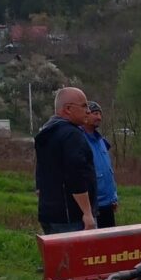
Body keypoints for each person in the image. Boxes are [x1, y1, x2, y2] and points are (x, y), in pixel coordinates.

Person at [34, 87, 97, 233]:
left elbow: (40, 170)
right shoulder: (71, 135)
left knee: (57, 256)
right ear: (68, 109)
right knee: (80, 256)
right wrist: (87, 213)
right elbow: (76, 175)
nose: (88, 110)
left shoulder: (47, 132)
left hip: (50, 214)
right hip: (72, 218)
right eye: (84, 106)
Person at [83, 100, 119, 229]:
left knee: (110, 245)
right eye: (95, 113)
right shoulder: (79, 139)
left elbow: (107, 170)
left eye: (100, 114)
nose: (99, 117)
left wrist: (113, 197)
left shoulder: (101, 141)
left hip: (107, 204)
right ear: (85, 115)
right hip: (93, 205)